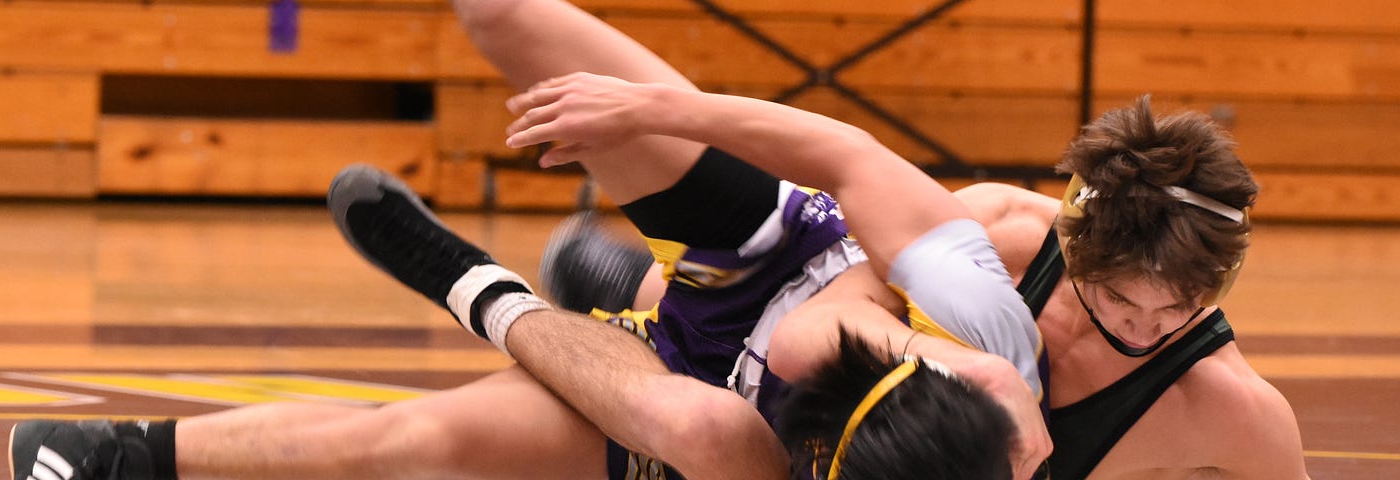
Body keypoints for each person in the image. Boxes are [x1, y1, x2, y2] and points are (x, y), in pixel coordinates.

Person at [6, 0, 1052, 479]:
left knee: (412, 448)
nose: (1139, 319)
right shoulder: (1000, 339)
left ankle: (477, 287)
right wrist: (650, 110)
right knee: (508, 20)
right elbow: (848, 161)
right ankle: (602, 281)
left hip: (692, 387)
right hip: (772, 254)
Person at [514, 75, 1311, 478]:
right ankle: (632, 287)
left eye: (1174, 311)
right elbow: (817, 316)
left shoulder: (1238, 412)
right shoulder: (1003, 238)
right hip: (820, 378)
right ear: (1075, 248)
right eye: (1117, 299)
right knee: (737, 350)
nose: (1142, 328)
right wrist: (651, 107)